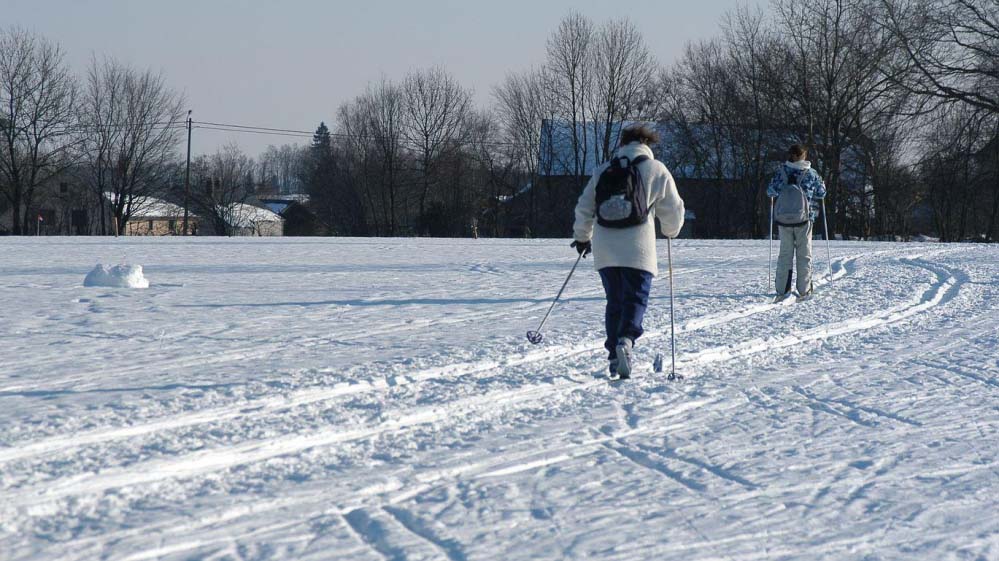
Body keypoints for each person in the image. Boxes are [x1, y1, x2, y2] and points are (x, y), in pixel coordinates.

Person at [571, 125, 685, 379]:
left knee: (615, 300)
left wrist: (582, 237)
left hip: (605, 249)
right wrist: (670, 230)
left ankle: (614, 356)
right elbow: (673, 210)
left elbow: (584, 207)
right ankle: (626, 340)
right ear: (647, 144)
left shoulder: (603, 170)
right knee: (635, 298)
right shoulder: (656, 169)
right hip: (638, 249)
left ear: (622, 144)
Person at [767, 143, 827, 301]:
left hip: (784, 219)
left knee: (785, 254)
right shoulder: (811, 173)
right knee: (804, 255)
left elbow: (771, 191)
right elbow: (821, 193)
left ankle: (782, 289)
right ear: (801, 155)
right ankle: (804, 289)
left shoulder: (782, 172)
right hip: (804, 219)